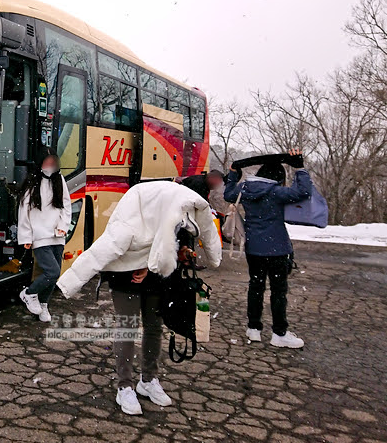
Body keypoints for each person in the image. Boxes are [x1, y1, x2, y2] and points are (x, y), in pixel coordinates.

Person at [57, 181, 222, 415]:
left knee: (154, 326)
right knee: (128, 327)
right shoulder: (135, 210)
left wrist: (182, 251)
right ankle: (124, 386)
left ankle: (148, 380)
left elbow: (178, 237)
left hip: (156, 276)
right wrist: (68, 283)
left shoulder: (182, 208)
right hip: (124, 275)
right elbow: (105, 249)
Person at [224, 149, 311, 349]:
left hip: (254, 248)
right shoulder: (277, 192)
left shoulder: (245, 189)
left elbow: (228, 194)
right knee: (278, 291)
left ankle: (254, 328)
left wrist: (233, 174)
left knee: (256, 287)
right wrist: (299, 169)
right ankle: (279, 333)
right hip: (277, 248)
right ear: (278, 178)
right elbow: (304, 192)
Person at [18, 154, 71, 323]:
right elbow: (24, 211)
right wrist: (26, 236)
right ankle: (29, 293)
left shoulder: (59, 179)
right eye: (47, 160)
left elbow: (66, 204)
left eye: (53, 161)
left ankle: (43, 304)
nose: (50, 164)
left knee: (54, 275)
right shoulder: (32, 181)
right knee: (52, 271)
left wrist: (63, 226)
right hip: (39, 235)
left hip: (57, 235)